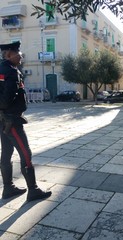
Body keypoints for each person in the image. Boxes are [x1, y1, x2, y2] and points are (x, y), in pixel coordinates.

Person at [0, 41, 51, 201]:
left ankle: (8, 188)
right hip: (11, 120)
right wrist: (5, 111)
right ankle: (33, 189)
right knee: (26, 153)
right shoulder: (10, 71)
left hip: (3, 119)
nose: (20, 55)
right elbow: (6, 98)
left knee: (6, 153)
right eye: (17, 53)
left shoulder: (5, 68)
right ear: (8, 54)